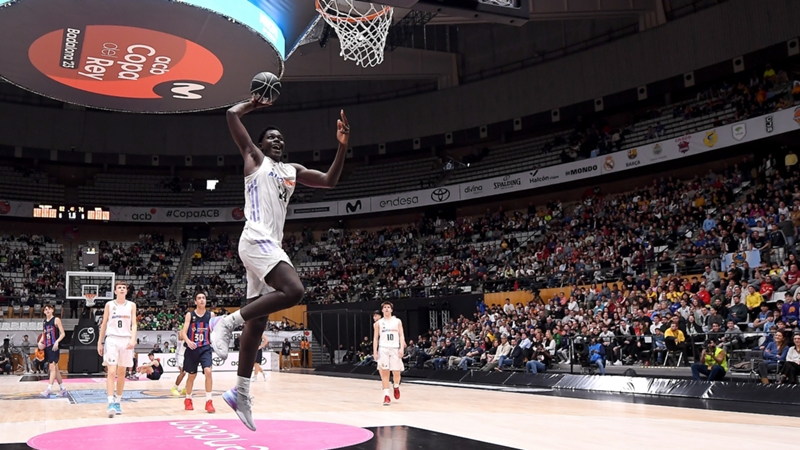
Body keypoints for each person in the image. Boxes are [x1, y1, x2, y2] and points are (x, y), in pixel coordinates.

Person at [211, 97, 349, 431]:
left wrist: (342, 146)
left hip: (270, 245)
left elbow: (329, 181)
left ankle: (240, 392)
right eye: (271, 137)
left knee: (257, 322)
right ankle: (226, 324)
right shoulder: (254, 159)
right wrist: (254, 104)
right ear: (259, 144)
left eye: (281, 138)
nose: (277, 140)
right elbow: (231, 114)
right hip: (255, 238)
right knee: (294, 290)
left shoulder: (292, 171)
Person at [97, 281, 137, 417]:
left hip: (126, 339)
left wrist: (133, 339)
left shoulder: (132, 305)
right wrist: (99, 342)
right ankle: (110, 402)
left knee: (122, 372)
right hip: (112, 338)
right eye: (119, 288)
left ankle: (118, 402)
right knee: (111, 370)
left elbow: (134, 324)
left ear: (126, 291)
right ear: (115, 291)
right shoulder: (109, 305)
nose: (121, 289)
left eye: (123, 288)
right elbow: (104, 324)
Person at [181, 292, 215, 413]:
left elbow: (214, 332)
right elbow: (183, 332)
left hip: (205, 347)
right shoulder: (190, 315)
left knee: (208, 372)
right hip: (192, 349)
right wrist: (188, 341)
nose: (201, 300)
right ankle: (188, 399)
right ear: (195, 302)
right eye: (199, 298)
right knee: (191, 376)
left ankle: (209, 401)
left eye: (203, 298)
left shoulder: (211, 315)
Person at [373, 301, 405, 406]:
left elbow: (401, 335)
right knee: (385, 372)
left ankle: (396, 386)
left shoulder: (397, 321)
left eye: (388, 307)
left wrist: (401, 348)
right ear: (382, 310)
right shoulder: (378, 323)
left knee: (396, 372)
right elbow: (375, 338)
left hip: (395, 348)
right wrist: (375, 351)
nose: (386, 309)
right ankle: (386, 395)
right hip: (383, 349)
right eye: (385, 307)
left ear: (391, 310)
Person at [40, 304, 67, 397]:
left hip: (54, 347)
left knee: (52, 368)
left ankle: (48, 389)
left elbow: (63, 333)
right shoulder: (44, 322)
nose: (47, 311)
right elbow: (43, 334)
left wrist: (57, 342)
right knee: (56, 369)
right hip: (47, 347)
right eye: (45, 309)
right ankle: (63, 388)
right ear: (44, 312)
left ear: (52, 310)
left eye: (49, 309)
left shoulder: (56, 320)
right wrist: (40, 342)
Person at [171, 322, 188, 397]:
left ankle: (186, 388)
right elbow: (181, 337)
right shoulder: (181, 332)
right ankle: (174, 388)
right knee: (183, 372)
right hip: (180, 355)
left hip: (187, 355)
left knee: (192, 372)